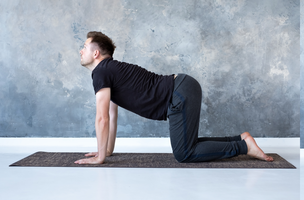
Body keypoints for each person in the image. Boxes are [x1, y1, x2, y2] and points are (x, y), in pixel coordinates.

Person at [75, 31, 273, 164]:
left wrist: (99, 157)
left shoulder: (102, 72)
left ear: (96, 53)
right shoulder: (110, 71)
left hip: (178, 93)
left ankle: (243, 146)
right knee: (189, 144)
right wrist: (106, 151)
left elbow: (102, 119)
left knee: (184, 153)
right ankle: (241, 139)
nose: (81, 50)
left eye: (84, 46)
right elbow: (111, 113)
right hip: (182, 88)